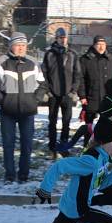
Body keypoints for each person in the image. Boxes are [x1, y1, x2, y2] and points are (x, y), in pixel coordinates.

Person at [0, 32, 47, 184]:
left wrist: (35, 100)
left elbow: (43, 84)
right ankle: (9, 174)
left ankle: (24, 175)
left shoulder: (33, 62)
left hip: (28, 110)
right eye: (18, 45)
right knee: (8, 144)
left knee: (27, 144)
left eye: (23, 45)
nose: (21, 48)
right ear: (11, 46)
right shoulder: (1, 62)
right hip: (8, 111)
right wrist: (3, 100)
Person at [42, 27, 81, 158]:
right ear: (56, 39)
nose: (63, 40)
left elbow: (77, 74)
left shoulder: (72, 54)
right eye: (60, 38)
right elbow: (44, 74)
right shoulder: (49, 54)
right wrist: (48, 91)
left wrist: (73, 91)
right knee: (52, 122)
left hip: (67, 94)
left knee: (66, 122)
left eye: (64, 38)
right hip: (53, 94)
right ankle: (52, 147)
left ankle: (64, 146)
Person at [78, 35, 112, 136]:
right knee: (89, 126)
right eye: (98, 44)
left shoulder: (110, 59)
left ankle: (102, 148)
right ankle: (87, 147)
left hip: (106, 99)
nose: (101, 47)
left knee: (105, 126)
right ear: (94, 45)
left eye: (103, 44)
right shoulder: (85, 59)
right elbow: (80, 79)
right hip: (91, 97)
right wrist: (82, 96)